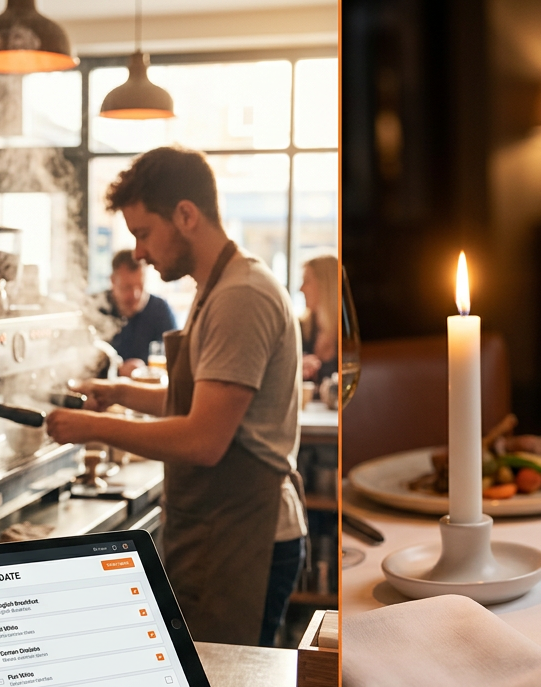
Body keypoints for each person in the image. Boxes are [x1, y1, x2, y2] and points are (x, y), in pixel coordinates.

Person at [47, 146, 306, 648]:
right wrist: (118, 392)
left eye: (144, 233)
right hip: (220, 529)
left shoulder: (240, 295)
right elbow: (198, 401)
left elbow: (203, 439)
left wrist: (90, 427)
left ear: (186, 215)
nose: (139, 252)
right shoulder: (218, 286)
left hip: (245, 536)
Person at [100, 250, 176, 377]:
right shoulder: (97, 307)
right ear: (113, 281)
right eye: (127, 287)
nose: (136, 295)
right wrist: (116, 369)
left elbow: (176, 359)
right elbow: (82, 360)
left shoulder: (159, 309)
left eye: (140, 286)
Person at [300, 254, 339, 385]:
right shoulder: (300, 329)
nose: (301, 289)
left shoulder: (345, 333)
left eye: (306, 281)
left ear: (326, 284)